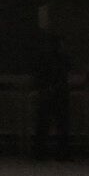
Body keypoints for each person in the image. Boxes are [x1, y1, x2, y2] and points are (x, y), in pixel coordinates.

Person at [31, 29, 73, 160]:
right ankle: (60, 152)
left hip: (51, 92)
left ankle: (41, 151)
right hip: (57, 92)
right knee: (59, 123)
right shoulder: (61, 58)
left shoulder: (46, 57)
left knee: (46, 123)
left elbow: (39, 74)